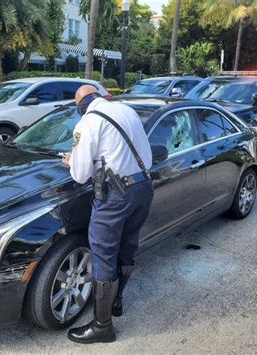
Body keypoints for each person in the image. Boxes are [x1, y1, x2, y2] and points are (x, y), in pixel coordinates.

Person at [61, 85, 154, 344]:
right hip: (144, 187)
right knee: (127, 245)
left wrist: (72, 161)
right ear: (102, 96)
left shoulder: (88, 122)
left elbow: (80, 175)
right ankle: (116, 302)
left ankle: (102, 327)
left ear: (81, 105)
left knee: (103, 255)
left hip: (116, 195)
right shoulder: (126, 110)